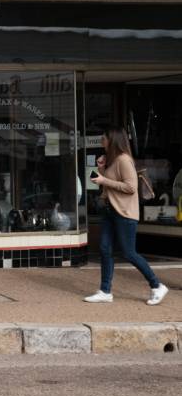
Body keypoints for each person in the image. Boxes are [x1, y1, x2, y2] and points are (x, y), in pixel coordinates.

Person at [85, 128, 169, 305]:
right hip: (111, 211)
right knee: (105, 249)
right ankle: (105, 291)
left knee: (129, 252)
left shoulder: (123, 160)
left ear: (112, 140)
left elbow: (131, 187)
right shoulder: (112, 160)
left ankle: (157, 285)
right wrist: (102, 170)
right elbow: (111, 187)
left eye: (104, 138)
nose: (101, 141)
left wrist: (103, 180)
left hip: (125, 213)